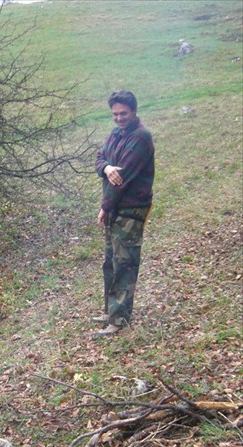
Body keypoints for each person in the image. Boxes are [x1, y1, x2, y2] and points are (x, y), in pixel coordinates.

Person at [94, 90, 154, 336]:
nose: (119, 118)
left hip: (130, 208)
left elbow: (122, 179)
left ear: (134, 111)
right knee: (110, 261)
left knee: (124, 264)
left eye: (123, 113)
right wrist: (106, 167)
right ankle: (110, 310)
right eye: (115, 114)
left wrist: (105, 207)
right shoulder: (116, 133)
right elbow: (99, 158)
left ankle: (119, 321)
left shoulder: (140, 137)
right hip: (116, 206)